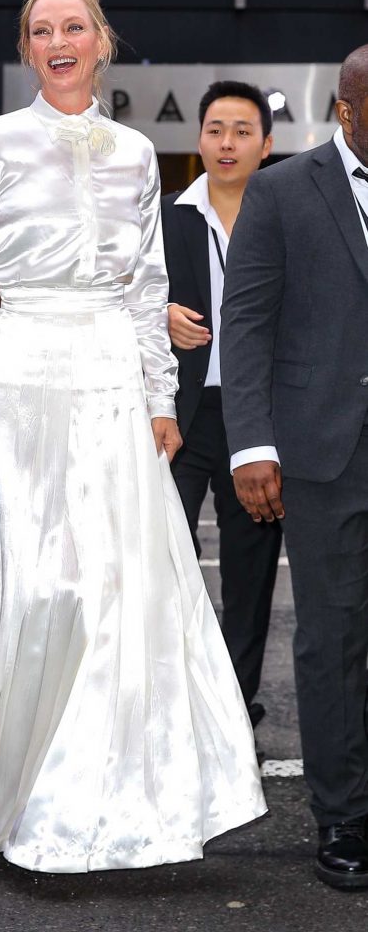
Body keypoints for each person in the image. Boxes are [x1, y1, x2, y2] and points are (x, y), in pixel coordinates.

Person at [0, 0, 265, 874]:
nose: (58, 42)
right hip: (25, 365)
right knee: (39, 579)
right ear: (26, 49)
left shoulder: (135, 153)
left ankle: (102, 802)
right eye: (41, 31)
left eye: (73, 27)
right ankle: (15, 787)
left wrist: (160, 397)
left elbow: (148, 288)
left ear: (100, 40)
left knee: (120, 581)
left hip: (111, 367)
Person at [220, 45, 368, 889]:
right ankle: (343, 814)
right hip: (321, 452)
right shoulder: (280, 192)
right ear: (346, 109)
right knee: (332, 636)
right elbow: (244, 324)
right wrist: (251, 444)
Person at [162, 81, 282, 732]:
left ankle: (235, 713)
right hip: (180, 418)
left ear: (266, 144)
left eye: (241, 130)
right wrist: (157, 314)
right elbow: (117, 296)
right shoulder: (163, 217)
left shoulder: (288, 215)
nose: (226, 142)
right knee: (164, 564)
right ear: (199, 139)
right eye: (215, 129)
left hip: (259, 421)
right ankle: (175, 704)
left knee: (250, 573)